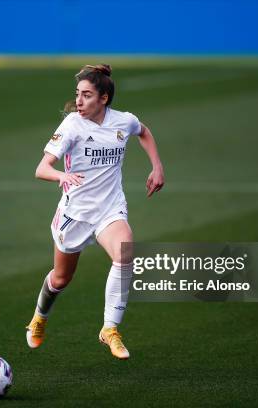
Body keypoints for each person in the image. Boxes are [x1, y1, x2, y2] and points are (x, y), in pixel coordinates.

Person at [26, 64, 164, 359]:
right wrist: (61, 176)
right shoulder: (72, 125)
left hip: (110, 210)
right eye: (77, 94)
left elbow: (144, 131)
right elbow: (41, 168)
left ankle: (109, 329)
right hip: (76, 213)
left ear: (104, 98)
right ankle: (39, 318)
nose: (79, 101)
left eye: (86, 95)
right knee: (61, 279)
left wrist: (157, 166)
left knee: (125, 253)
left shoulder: (123, 121)